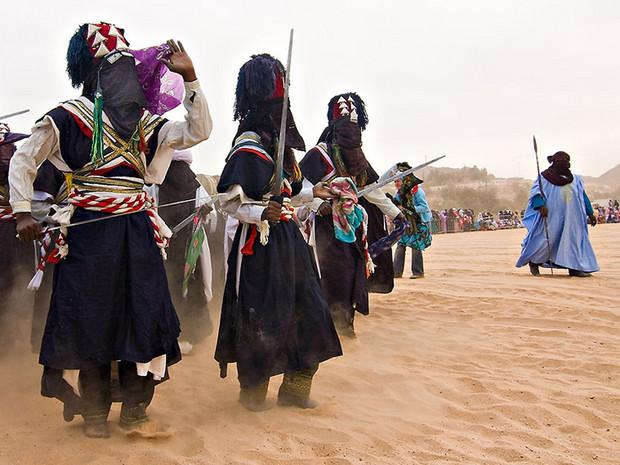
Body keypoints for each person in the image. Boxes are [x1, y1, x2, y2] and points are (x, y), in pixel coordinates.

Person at [9, 23, 212, 438]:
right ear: (93, 73)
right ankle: (96, 412)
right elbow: (23, 160)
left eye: (127, 64)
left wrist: (190, 77)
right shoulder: (67, 117)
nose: (122, 72)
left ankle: (137, 407)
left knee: (144, 314)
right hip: (87, 234)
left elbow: (198, 131)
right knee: (92, 320)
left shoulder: (146, 124)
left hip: (138, 232)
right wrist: (22, 210)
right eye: (111, 65)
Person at [215, 54, 342, 411]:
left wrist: (314, 192)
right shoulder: (248, 144)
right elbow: (229, 201)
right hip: (258, 247)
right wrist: (258, 211)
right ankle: (253, 393)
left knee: (311, 312)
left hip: (290, 242)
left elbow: (292, 189)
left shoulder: (282, 148)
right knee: (262, 317)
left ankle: (295, 390)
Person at [299, 93, 402, 336]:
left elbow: (373, 191)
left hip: (353, 227)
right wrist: (318, 205)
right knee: (331, 273)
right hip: (325, 227)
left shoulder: (357, 157)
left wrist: (396, 215)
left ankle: (346, 323)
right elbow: (301, 187)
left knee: (352, 272)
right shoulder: (318, 155)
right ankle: (330, 325)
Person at [155, 150, 214, 355]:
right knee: (183, 284)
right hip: (173, 245)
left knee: (180, 283)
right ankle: (181, 335)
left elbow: (207, 209)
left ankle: (182, 335)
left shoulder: (157, 181)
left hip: (177, 245)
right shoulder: (193, 183)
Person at [516, 151, 599, 277]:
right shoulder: (544, 178)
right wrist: (540, 206)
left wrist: (590, 213)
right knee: (547, 240)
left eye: (566, 161)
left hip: (573, 217)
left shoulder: (575, 179)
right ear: (554, 162)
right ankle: (534, 261)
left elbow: (582, 196)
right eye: (561, 161)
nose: (565, 163)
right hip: (552, 216)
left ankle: (574, 267)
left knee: (572, 240)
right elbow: (536, 194)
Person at [0, 123, 32, 348]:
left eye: (12, 145)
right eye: (6, 146)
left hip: (14, 234)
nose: (12, 149)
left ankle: (12, 338)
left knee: (18, 281)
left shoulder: (20, 173)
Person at [392, 168, 432, 279]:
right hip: (406, 222)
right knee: (401, 245)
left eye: (398, 181)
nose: (396, 184)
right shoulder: (398, 193)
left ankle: (418, 272)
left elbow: (424, 207)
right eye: (395, 181)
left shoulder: (417, 191)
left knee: (416, 245)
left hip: (419, 222)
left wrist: (409, 208)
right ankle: (396, 272)